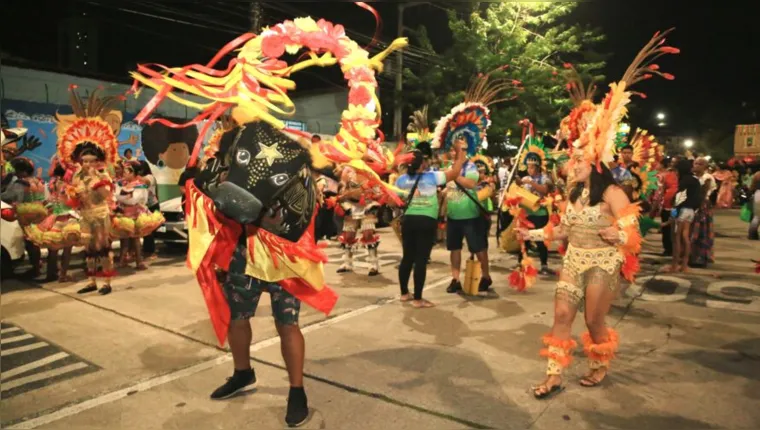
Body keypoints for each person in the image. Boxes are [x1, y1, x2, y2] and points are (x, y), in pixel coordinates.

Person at [524, 28, 674, 399]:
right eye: (570, 157)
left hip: (603, 262)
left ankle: (599, 363)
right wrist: (535, 236)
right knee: (561, 317)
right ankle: (554, 375)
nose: (569, 162)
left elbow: (630, 227)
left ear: (592, 161)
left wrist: (620, 236)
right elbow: (561, 232)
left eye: (576, 158)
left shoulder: (610, 191)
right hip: (574, 259)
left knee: (593, 320)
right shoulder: (570, 193)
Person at [395, 141, 465, 307]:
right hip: (426, 221)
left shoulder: (402, 180)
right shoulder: (432, 177)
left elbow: (395, 200)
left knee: (407, 257)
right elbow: (455, 173)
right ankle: (418, 299)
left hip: (409, 220)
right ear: (422, 164)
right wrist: (460, 152)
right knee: (421, 259)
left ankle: (404, 293)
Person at [442, 138, 493, 294]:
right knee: (454, 249)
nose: (453, 153)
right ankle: (455, 279)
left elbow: (471, 184)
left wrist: (453, 175)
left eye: (456, 150)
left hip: (470, 216)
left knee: (478, 248)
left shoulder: (470, 167)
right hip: (453, 217)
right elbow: (447, 189)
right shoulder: (449, 167)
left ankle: (485, 276)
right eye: (452, 150)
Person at [668, 159, 701, 273]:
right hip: (690, 211)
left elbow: (679, 199)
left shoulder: (684, 181)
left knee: (676, 239)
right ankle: (684, 265)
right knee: (685, 238)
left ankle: (674, 265)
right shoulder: (695, 180)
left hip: (681, 211)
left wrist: (673, 214)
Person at [689, 157, 716, 268]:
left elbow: (703, 192)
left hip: (702, 206)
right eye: (695, 163)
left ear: (705, 166)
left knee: (701, 232)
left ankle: (700, 258)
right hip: (692, 205)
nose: (697, 166)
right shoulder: (692, 177)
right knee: (691, 232)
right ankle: (691, 256)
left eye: (700, 164)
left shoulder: (707, 177)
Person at [748, 172, 760, 240]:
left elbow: (752, 186)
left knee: (757, 216)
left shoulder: (758, 174)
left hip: (758, 194)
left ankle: (752, 235)